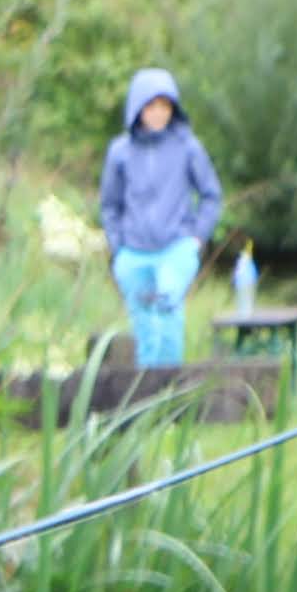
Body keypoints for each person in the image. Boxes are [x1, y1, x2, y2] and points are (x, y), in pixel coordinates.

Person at [98, 68, 223, 371]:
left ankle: (169, 387)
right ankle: (148, 393)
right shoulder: (120, 151)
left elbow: (211, 195)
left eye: (164, 106)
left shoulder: (188, 146)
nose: (158, 114)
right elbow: (109, 205)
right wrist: (118, 247)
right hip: (133, 253)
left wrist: (196, 238)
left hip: (176, 248)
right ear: (137, 109)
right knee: (144, 326)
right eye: (151, 106)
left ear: (173, 109)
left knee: (167, 314)